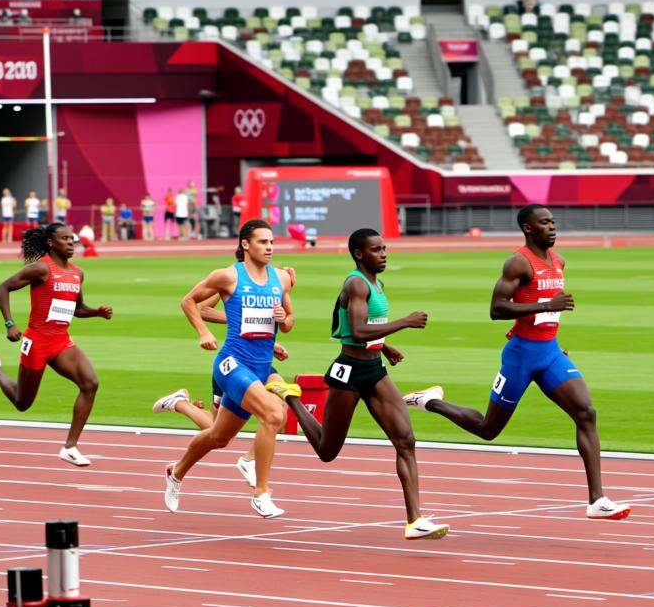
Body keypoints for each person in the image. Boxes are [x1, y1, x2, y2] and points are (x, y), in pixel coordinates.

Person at [402, 205, 631, 521]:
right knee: (488, 429)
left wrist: (554, 339)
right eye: (544, 223)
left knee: (586, 411)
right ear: (528, 228)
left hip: (549, 352)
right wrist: (547, 303)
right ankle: (429, 402)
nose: (552, 227)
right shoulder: (518, 263)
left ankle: (597, 498)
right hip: (521, 356)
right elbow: (497, 309)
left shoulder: (559, 260)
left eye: (553, 221)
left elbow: (547, 316)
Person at [270, 229, 449, 540]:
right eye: (376, 250)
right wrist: (404, 322)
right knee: (327, 450)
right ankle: (292, 397)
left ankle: (415, 520)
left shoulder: (377, 283)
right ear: (359, 254)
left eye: (384, 248)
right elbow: (357, 328)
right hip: (348, 371)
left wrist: (384, 346)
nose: (384, 254)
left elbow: (369, 329)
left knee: (405, 440)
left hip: (374, 369)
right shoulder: (356, 283)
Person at [163, 219, 294, 518]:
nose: (270, 247)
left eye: (272, 242)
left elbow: (288, 321)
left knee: (219, 437)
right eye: (263, 242)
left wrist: (282, 319)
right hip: (231, 362)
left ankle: (176, 472)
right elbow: (189, 301)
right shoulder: (226, 276)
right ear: (246, 245)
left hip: (261, 365)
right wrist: (203, 333)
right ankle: (262, 493)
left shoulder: (282, 279)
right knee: (275, 413)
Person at [0, 223, 113, 465]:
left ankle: (70, 447)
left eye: (72, 239)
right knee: (22, 402)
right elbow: (3, 288)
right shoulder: (41, 268)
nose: (71, 243)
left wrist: (97, 312)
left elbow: (77, 309)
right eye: (65, 239)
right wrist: (10, 323)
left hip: (61, 341)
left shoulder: (77, 273)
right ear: (51, 243)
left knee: (90, 383)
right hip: (37, 342)